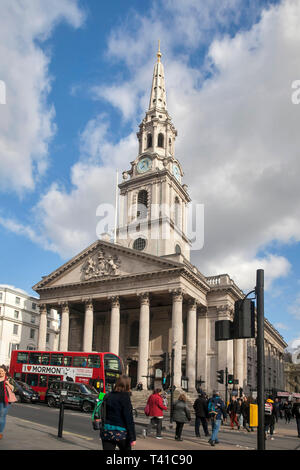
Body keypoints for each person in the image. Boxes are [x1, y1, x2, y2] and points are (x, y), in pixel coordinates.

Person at [99, 375, 136, 452]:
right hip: (121, 433)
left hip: (107, 431)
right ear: (127, 385)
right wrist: (132, 437)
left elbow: (102, 413)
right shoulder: (125, 397)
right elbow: (128, 418)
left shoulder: (108, 395)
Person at [0, 364, 16, 440]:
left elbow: (14, 389)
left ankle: (0, 433)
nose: (0, 372)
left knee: (2, 416)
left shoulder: (9, 379)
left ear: (5, 372)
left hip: (5, 401)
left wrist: (8, 384)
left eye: (2, 371)